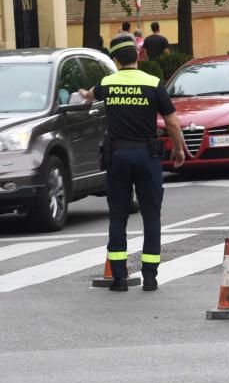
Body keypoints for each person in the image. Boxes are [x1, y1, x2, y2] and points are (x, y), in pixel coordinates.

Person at [78, 35, 186, 292]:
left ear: (115, 60)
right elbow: (171, 121)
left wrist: (82, 93)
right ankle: (150, 277)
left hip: (117, 157)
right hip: (147, 157)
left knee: (118, 215)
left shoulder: (108, 83)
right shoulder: (153, 83)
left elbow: (89, 96)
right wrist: (180, 148)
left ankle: (118, 278)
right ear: (138, 57)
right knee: (151, 215)